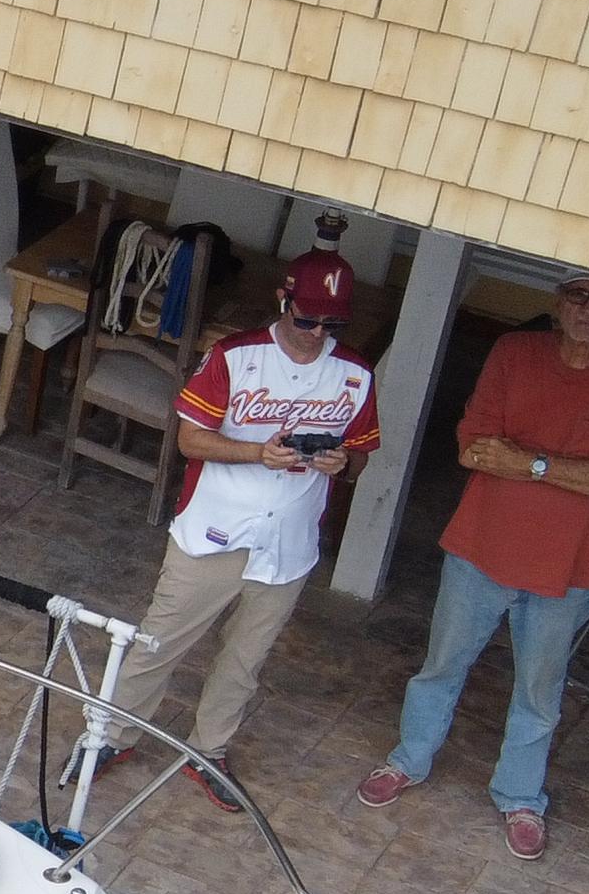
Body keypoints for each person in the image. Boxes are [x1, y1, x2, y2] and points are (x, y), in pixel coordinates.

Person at [358, 273, 589, 859]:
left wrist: (529, 464)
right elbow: (473, 446)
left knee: (539, 690)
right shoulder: (515, 352)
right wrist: (582, 475)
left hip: (570, 566)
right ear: (557, 302)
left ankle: (521, 797)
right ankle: (408, 760)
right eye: (579, 295)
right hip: (482, 546)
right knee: (441, 665)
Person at [85, 250, 380, 812]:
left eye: (332, 324)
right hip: (213, 530)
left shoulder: (356, 374)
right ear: (283, 301)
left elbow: (362, 456)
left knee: (246, 658)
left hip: (288, 543)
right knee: (157, 643)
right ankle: (109, 738)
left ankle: (209, 749)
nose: (317, 333)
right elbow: (189, 439)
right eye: (307, 319)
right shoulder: (235, 356)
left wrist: (343, 464)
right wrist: (256, 453)